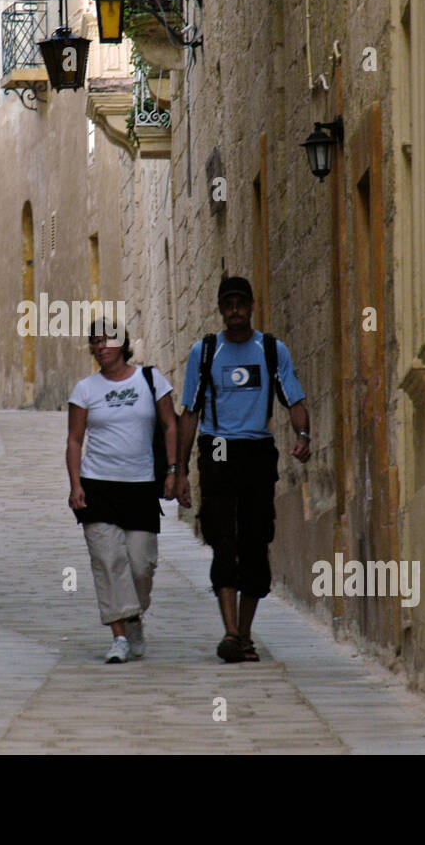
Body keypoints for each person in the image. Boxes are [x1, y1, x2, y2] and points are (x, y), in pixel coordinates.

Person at [175, 276, 311, 663]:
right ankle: (231, 632)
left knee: (255, 538)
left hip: (256, 447)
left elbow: (294, 399)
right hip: (217, 445)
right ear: (221, 309)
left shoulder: (270, 350)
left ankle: (244, 633)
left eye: (240, 303)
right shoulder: (205, 353)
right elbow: (190, 414)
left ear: (251, 306)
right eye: (228, 304)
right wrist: (180, 470)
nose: (234, 310)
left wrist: (303, 434)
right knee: (222, 534)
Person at [67, 318, 178, 663]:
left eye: (108, 340)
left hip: (140, 486)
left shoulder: (151, 379)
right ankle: (118, 637)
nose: (102, 347)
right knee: (107, 561)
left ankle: (133, 618)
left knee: (141, 565)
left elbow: (170, 424)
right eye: (96, 342)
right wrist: (75, 485)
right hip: (98, 486)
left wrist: (174, 470)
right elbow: (74, 439)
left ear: (123, 344)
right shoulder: (85, 389)